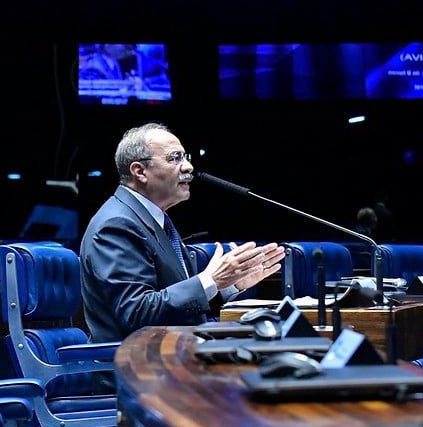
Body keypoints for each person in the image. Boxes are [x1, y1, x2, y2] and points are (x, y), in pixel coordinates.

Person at [79, 122, 286, 343]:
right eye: (174, 158)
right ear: (139, 171)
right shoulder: (117, 225)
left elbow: (180, 308)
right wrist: (210, 279)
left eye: (185, 157)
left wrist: (227, 285)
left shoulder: (155, 219)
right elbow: (137, 313)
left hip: (171, 356)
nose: (188, 167)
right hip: (135, 369)